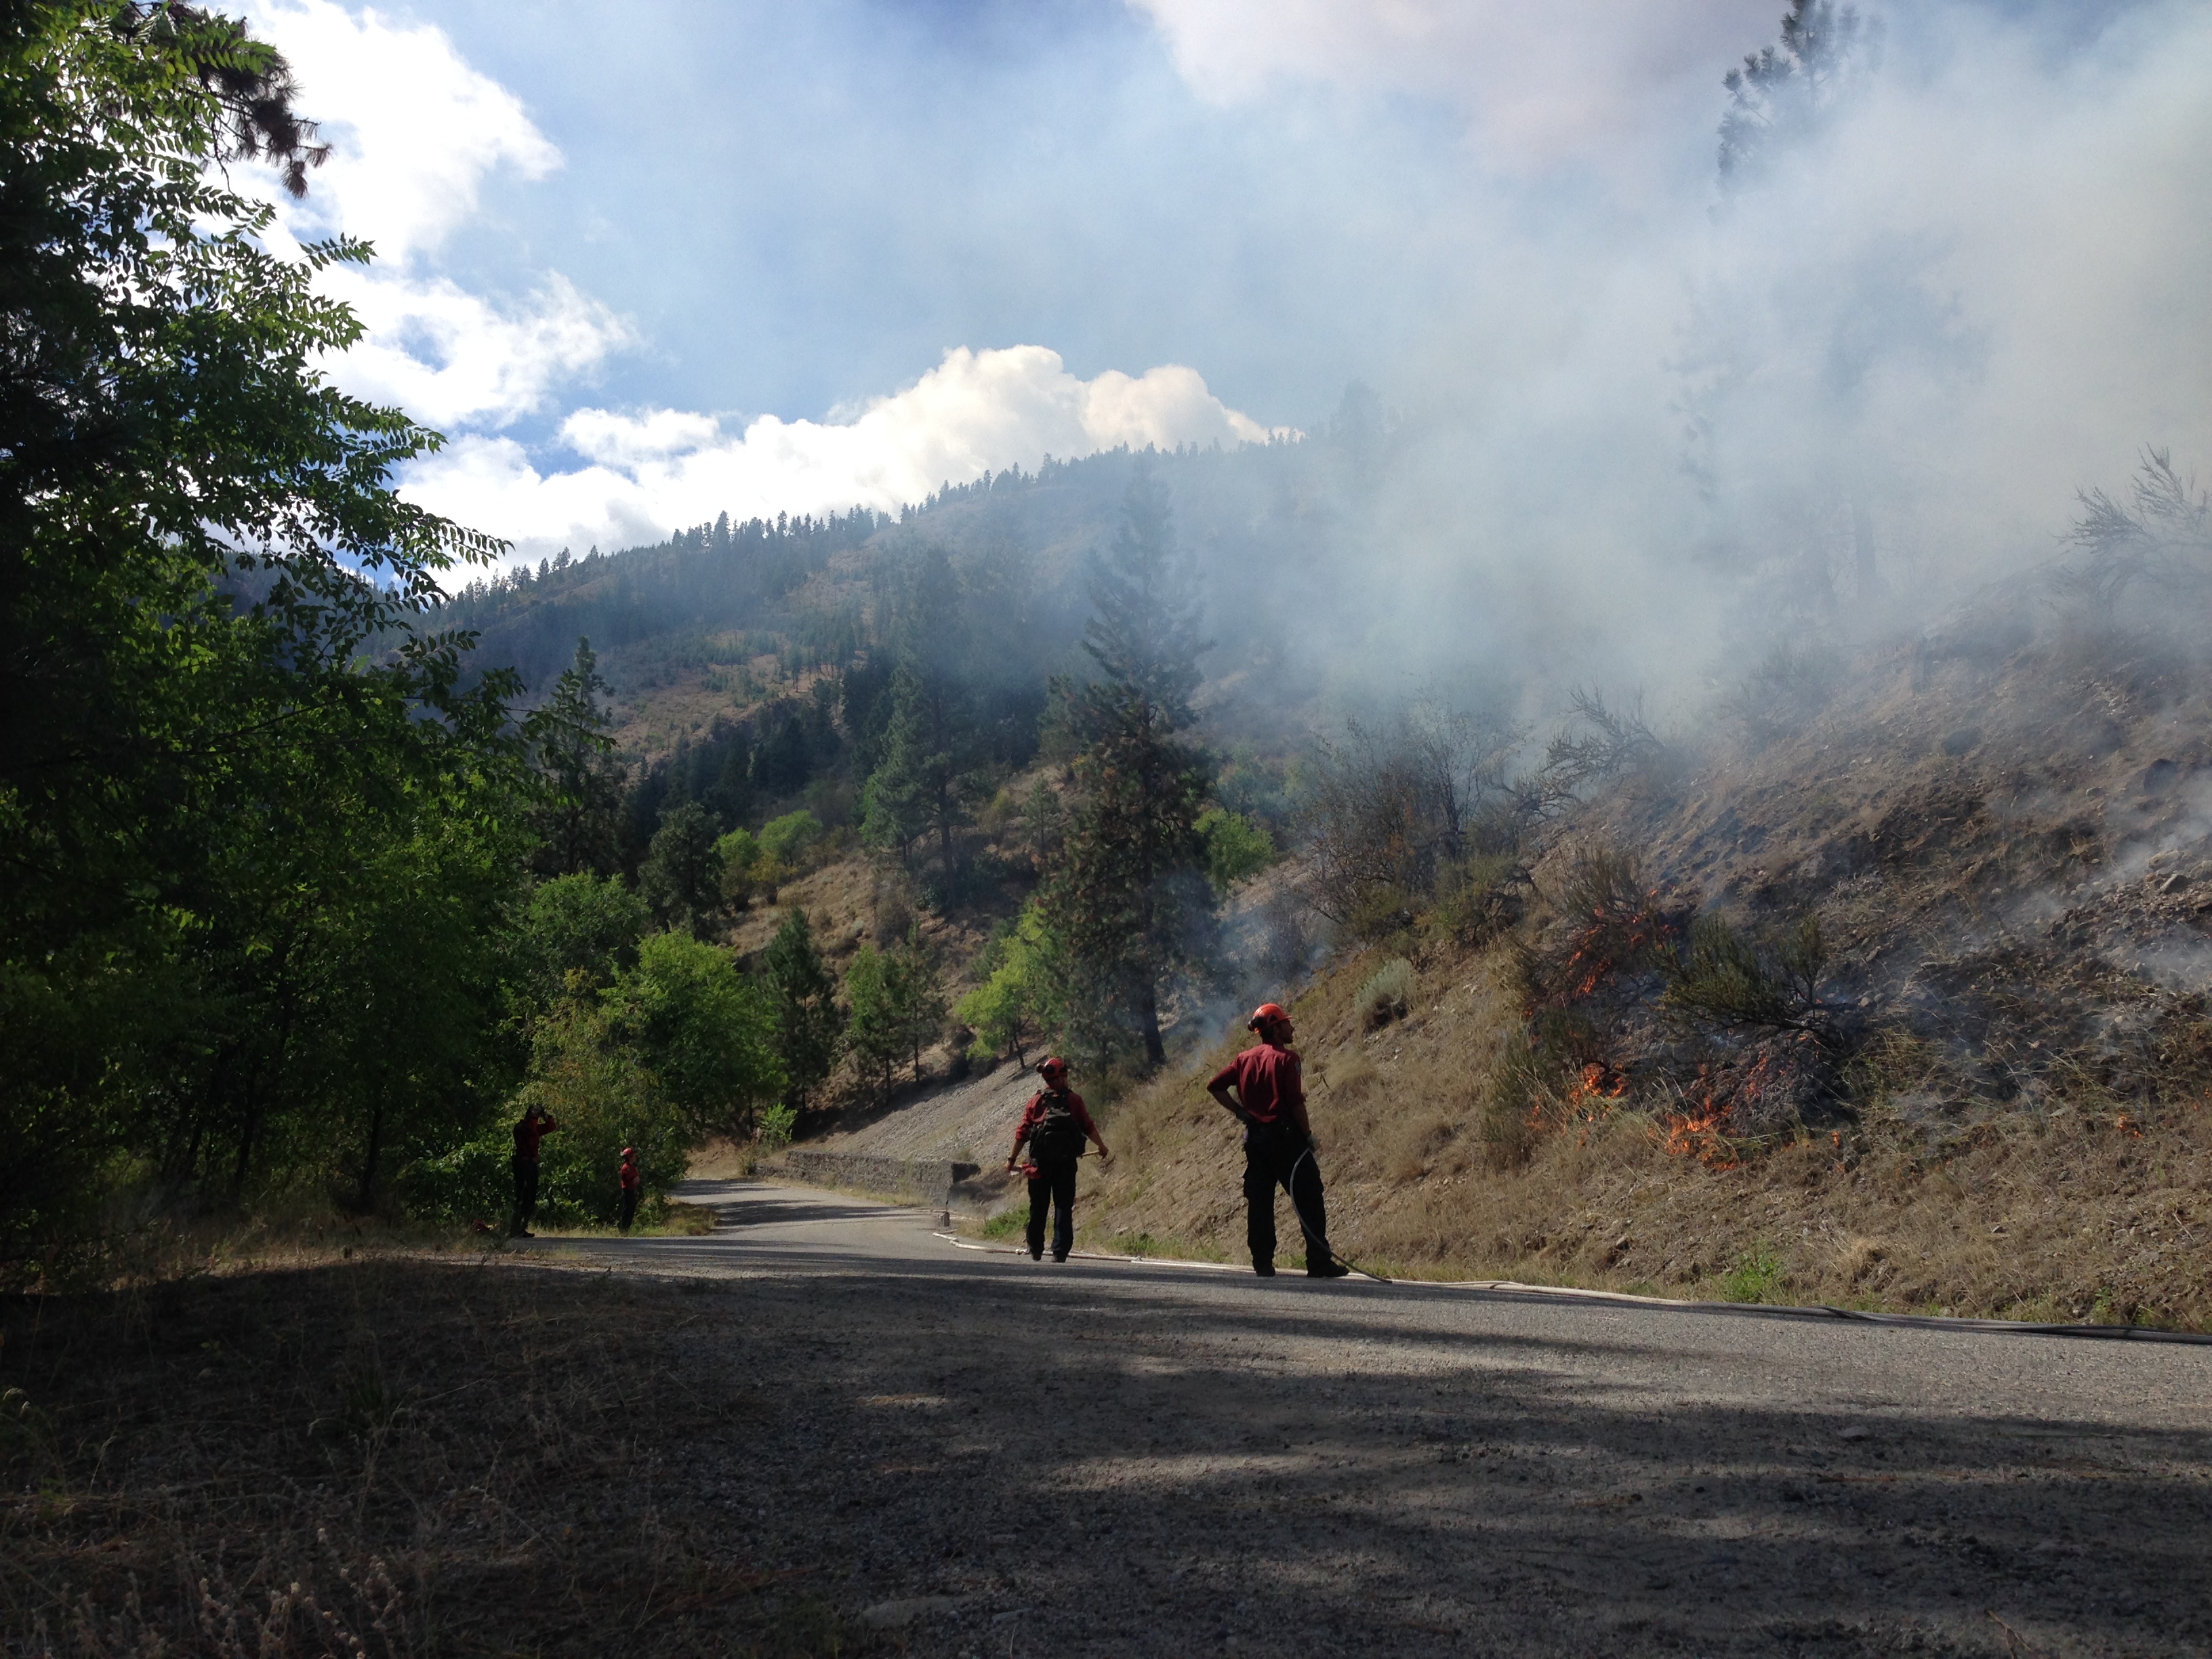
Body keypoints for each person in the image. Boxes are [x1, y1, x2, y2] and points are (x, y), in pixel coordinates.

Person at [1208, 1002, 1349, 1279]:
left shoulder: (1243, 1059)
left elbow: (1215, 1086)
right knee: (1309, 1196)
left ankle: (1262, 1262)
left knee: (1260, 1201)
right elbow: (1296, 1104)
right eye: (1287, 1023)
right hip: (1287, 1141)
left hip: (1256, 1141)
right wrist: (1307, 1135)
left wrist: (1241, 1112)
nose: (1292, 1027)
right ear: (1275, 1027)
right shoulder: (1288, 1059)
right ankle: (1319, 1262)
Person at [1005, 1056, 1110, 1262]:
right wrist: (1102, 1147)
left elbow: (1022, 1133)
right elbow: (1088, 1127)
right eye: (1066, 1076)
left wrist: (1011, 1159)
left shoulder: (1036, 1101)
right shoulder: (1074, 1100)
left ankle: (1035, 1248)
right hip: (1065, 1163)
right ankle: (1060, 1251)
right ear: (1061, 1077)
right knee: (1063, 1205)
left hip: (1039, 1165)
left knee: (1038, 1206)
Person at [509, 1105, 559, 1238]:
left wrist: (546, 1116)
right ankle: (515, 1227)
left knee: (531, 1197)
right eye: (533, 1116)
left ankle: (521, 1227)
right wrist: (533, 1116)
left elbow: (551, 1127)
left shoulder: (535, 1128)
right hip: (522, 1163)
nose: (535, 1119)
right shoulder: (521, 1127)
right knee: (522, 1195)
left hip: (531, 1164)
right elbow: (528, 1130)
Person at [617, 1145, 641, 1233]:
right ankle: (623, 1228)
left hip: (632, 1190)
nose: (635, 1157)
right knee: (627, 1209)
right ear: (629, 1157)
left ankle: (627, 1228)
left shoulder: (632, 1167)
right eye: (634, 1155)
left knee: (631, 1208)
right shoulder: (626, 1168)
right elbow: (633, 1179)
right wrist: (636, 1178)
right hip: (627, 1191)